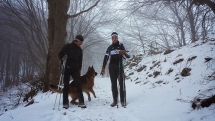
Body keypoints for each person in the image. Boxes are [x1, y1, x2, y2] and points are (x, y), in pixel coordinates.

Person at [100, 32, 130, 107]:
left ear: (117, 38)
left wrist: (124, 52)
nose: (114, 39)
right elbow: (106, 58)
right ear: (111, 39)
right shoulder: (110, 47)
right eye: (113, 37)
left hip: (120, 66)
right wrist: (103, 67)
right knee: (113, 84)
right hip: (112, 67)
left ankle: (123, 100)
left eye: (115, 37)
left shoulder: (122, 45)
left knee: (121, 84)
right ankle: (115, 100)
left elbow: (129, 55)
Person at [58, 35, 86, 109]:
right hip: (67, 68)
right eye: (81, 41)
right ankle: (65, 102)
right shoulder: (67, 46)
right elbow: (60, 54)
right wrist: (63, 57)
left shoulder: (80, 50)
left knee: (78, 84)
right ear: (78, 41)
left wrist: (79, 68)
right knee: (66, 85)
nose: (82, 43)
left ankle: (81, 101)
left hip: (75, 69)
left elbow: (80, 61)